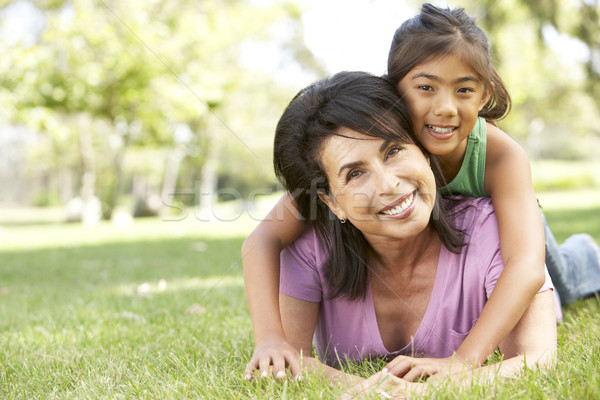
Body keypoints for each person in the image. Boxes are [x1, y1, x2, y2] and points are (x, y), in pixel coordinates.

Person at [242, 3, 600, 381]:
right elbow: (262, 238)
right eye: (426, 87)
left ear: (483, 95)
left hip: (517, 237)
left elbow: (526, 267)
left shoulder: (500, 155)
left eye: (463, 89)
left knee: (562, 274)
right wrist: (269, 338)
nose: (444, 109)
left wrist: (465, 360)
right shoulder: (375, 131)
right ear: (394, 89)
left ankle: (586, 258)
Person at [270, 70, 557, 397]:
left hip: (531, 260)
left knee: (569, 270)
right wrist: (370, 390)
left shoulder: (496, 233)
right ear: (332, 202)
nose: (389, 184)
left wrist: (429, 391)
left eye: (393, 150)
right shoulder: (308, 250)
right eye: (356, 173)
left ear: (422, 149)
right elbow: (289, 359)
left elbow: (535, 358)